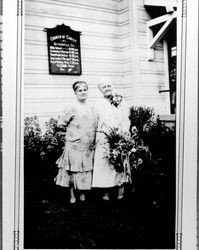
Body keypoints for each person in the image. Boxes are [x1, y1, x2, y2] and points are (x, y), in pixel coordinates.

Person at [54, 81, 97, 203]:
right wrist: (72, 134)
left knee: (84, 170)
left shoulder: (91, 107)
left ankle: (82, 193)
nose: (83, 92)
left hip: (87, 145)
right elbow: (60, 124)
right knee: (72, 170)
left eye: (85, 90)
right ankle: (72, 195)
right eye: (80, 90)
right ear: (75, 92)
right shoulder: (71, 107)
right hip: (74, 145)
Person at [92, 77, 130, 200]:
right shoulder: (97, 104)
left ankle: (120, 191)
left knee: (119, 162)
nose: (107, 88)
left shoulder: (121, 101)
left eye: (109, 85)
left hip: (119, 136)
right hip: (103, 137)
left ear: (112, 87)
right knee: (104, 163)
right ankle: (106, 192)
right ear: (100, 90)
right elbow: (95, 121)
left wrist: (123, 134)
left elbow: (126, 119)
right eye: (104, 87)